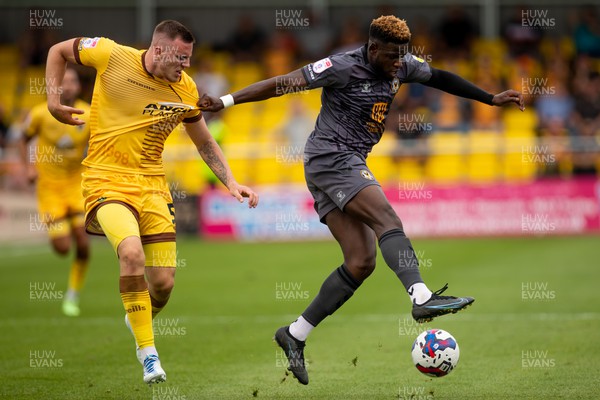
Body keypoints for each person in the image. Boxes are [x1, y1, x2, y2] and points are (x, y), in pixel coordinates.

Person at [200, 15, 524, 385]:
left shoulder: (401, 64)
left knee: (361, 261)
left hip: (341, 163)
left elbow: (441, 78)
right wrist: (224, 102)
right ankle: (421, 296)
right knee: (388, 219)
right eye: (391, 56)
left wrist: (490, 98)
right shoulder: (340, 67)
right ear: (372, 49)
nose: (398, 64)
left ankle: (294, 334)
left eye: (402, 56)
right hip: (331, 158)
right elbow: (283, 83)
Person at [45, 20, 259, 385]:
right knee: (131, 255)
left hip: (153, 188)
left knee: (162, 284)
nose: (187, 65)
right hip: (106, 179)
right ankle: (148, 354)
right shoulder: (110, 54)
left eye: (190, 58)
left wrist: (231, 181)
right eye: (181, 57)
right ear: (158, 50)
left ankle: (137, 316)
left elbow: (203, 140)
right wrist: (52, 100)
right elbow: (58, 51)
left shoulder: (186, 89)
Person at [19, 67, 91, 317]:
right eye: (64, 81)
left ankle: (73, 295)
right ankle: (64, 228)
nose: (69, 85)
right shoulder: (41, 113)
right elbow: (23, 138)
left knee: (83, 242)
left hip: (76, 185)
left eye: (73, 81)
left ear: (78, 86)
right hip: (48, 189)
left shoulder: (89, 114)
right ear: (56, 88)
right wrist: (28, 168)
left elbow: (98, 145)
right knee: (62, 248)